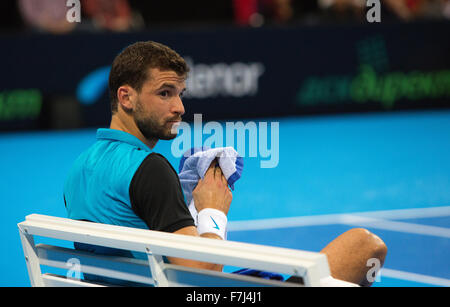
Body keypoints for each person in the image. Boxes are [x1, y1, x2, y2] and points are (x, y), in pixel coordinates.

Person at [63, 41, 387, 286]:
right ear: (126, 97)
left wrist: (182, 201)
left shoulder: (79, 167)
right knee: (364, 246)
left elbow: (132, 226)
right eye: (164, 93)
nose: (178, 108)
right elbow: (202, 274)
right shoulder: (149, 169)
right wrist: (212, 211)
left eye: (180, 93)